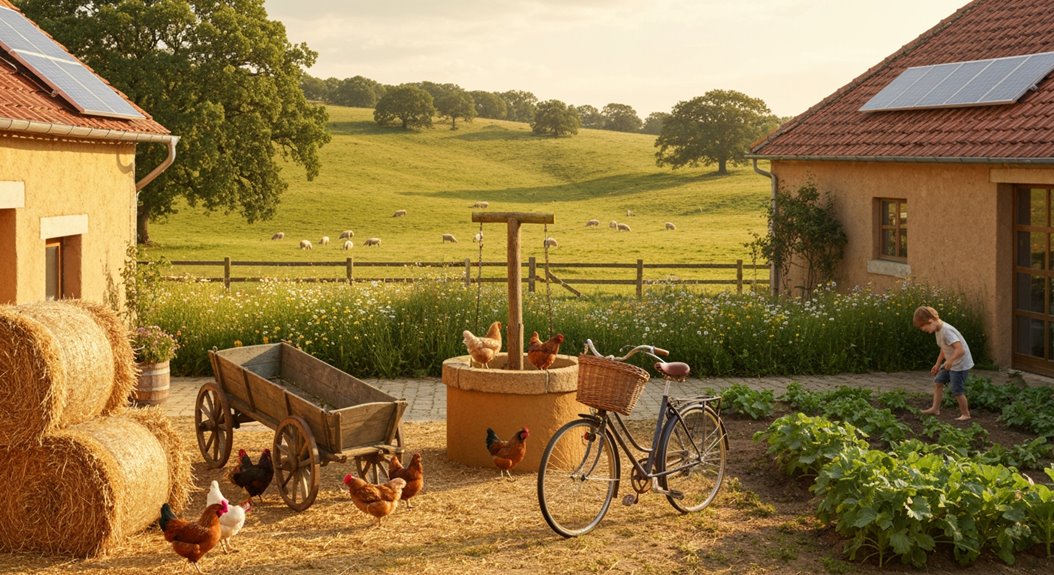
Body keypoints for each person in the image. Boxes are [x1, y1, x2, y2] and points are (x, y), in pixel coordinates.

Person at [913, 305, 973, 421]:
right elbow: (944, 348)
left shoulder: (947, 331)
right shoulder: (938, 330)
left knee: (957, 390)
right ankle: (935, 409)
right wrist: (937, 364)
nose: (923, 330)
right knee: (938, 381)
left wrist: (950, 361)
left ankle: (966, 414)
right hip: (951, 362)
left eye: (923, 327)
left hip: (960, 364)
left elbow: (960, 350)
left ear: (930, 321)